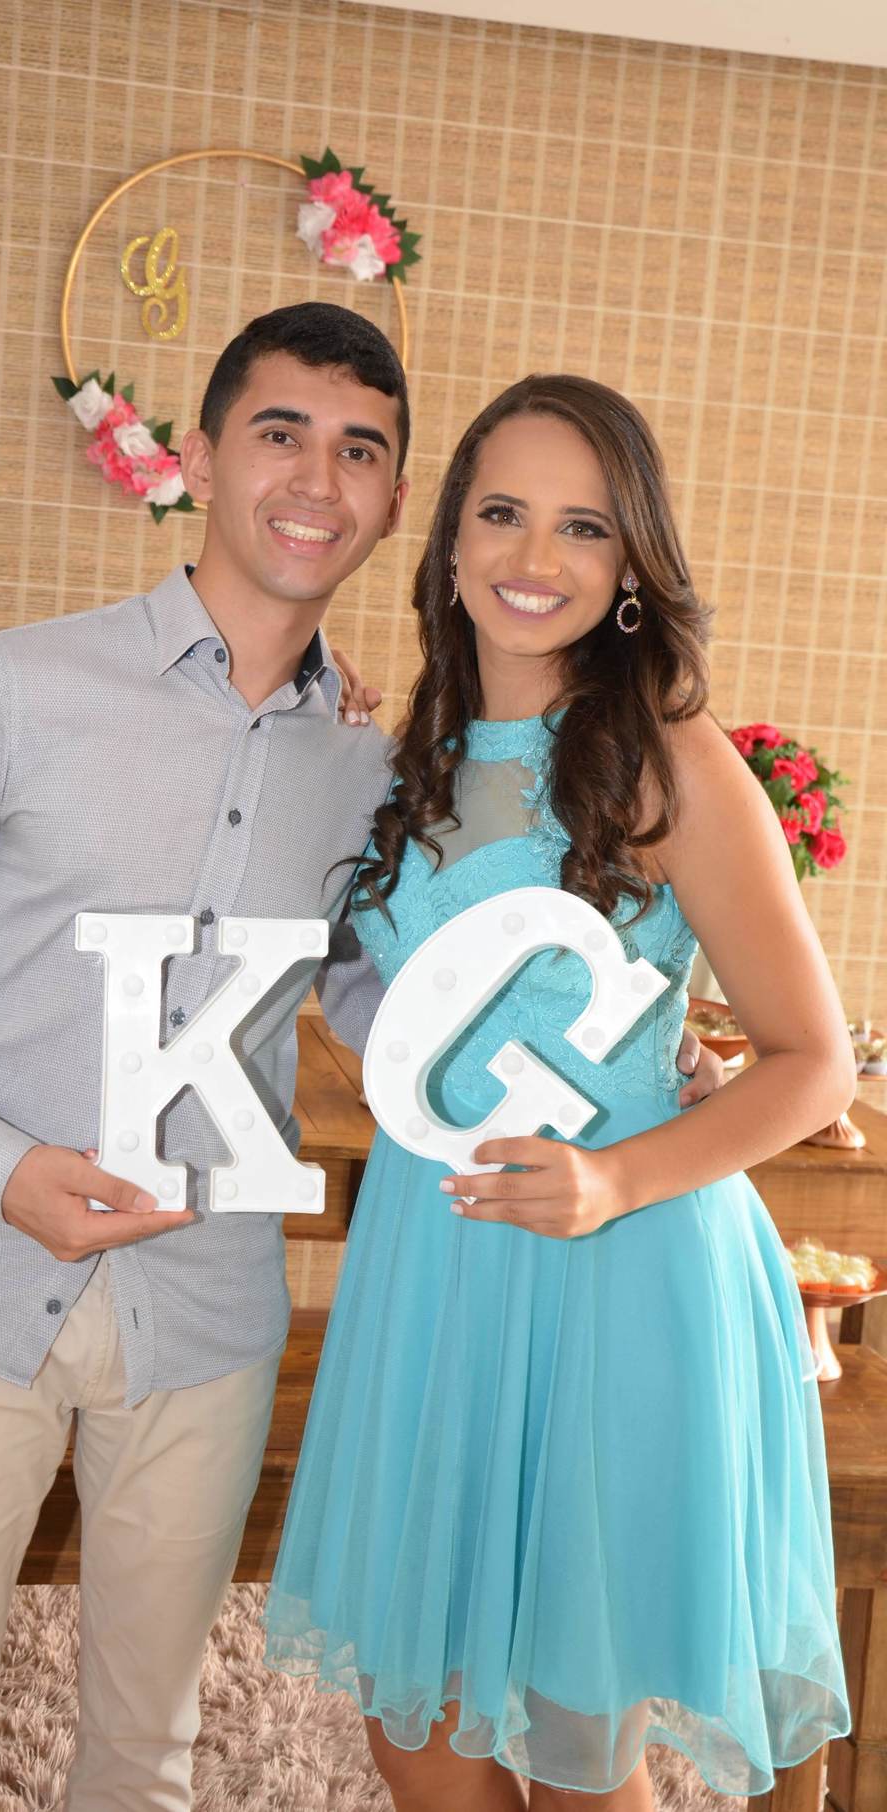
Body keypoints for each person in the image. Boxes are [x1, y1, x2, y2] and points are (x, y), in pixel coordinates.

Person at [0, 310, 717, 1812]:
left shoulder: (376, 766)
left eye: (361, 451)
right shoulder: (12, 687)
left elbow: (368, 985)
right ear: (204, 455)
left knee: (149, 1754)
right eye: (281, 433)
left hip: (208, 1313)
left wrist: (601, 1066)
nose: (315, 478)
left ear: (396, 502)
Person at [262, 374, 854, 1811]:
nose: (535, 559)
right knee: (417, 1722)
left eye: (583, 527)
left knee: (575, 1735)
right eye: (504, 514)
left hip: (618, 1262)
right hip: (435, 1258)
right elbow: (371, 986)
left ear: (631, 561)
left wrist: (611, 1178)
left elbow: (814, 1060)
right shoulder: (405, 759)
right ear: (449, 538)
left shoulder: (673, 764)